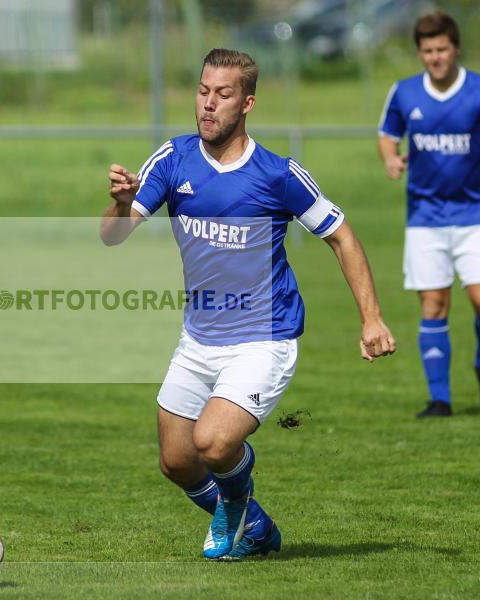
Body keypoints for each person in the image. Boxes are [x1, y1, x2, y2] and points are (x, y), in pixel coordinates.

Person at [101, 48, 396, 561]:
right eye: (202, 91)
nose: (208, 104)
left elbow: (342, 236)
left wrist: (371, 319)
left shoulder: (278, 174)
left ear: (247, 103)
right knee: (177, 460)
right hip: (199, 337)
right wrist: (123, 203)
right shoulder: (173, 159)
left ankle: (236, 507)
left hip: (265, 337)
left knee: (214, 443)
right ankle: (255, 524)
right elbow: (111, 236)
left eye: (223, 94)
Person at [377, 11, 480, 418]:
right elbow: (387, 135)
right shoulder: (404, 92)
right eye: (428, 51)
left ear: (456, 48)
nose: (435, 57)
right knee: (433, 304)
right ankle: (439, 400)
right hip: (425, 217)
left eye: (441, 49)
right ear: (419, 53)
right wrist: (390, 158)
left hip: (477, 214)